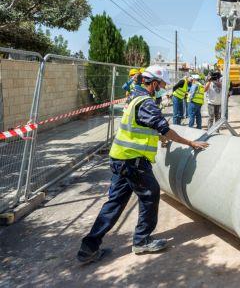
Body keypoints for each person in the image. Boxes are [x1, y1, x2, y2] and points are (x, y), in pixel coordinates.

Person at [76, 65, 209, 264]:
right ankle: (141, 241)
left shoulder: (135, 98)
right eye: (161, 85)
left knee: (114, 203)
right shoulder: (147, 103)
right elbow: (164, 128)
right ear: (154, 83)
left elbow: (144, 126)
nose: (163, 88)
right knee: (150, 194)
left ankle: (88, 248)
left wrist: (158, 137)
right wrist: (189, 142)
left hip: (121, 158)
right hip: (133, 161)